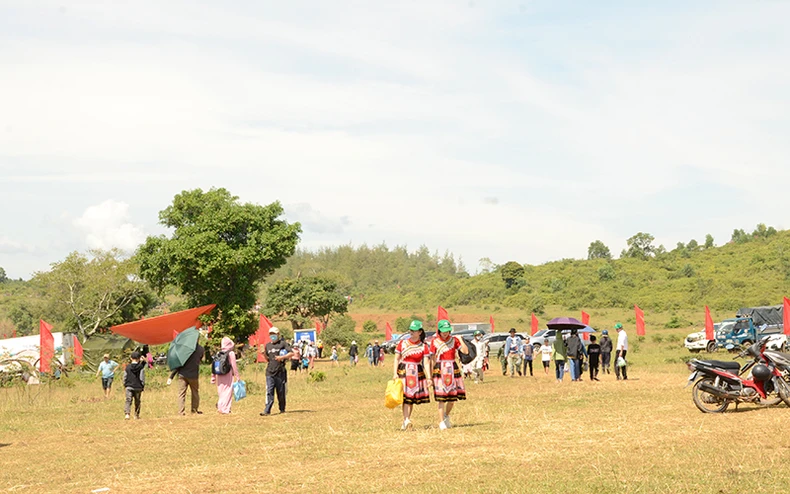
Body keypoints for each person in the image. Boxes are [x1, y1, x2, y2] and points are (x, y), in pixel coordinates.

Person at [392, 320, 433, 430]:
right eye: (411, 330)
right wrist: (395, 373)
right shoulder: (402, 343)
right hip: (404, 371)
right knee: (406, 397)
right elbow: (396, 359)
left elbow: (426, 362)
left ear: (420, 332)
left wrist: (429, 377)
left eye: (414, 331)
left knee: (411, 398)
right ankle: (406, 419)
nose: (412, 332)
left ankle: (406, 419)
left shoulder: (423, 346)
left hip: (416, 372)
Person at [430, 319, 468, 430]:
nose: (445, 333)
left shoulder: (454, 340)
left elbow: (465, 352)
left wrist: (461, 340)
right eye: (443, 331)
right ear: (439, 331)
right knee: (441, 398)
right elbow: (432, 359)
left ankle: (446, 415)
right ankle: (441, 421)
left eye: (447, 331)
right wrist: (431, 375)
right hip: (439, 369)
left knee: (452, 399)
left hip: (452, 369)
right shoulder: (434, 342)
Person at [261, 327, 293, 415]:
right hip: (270, 372)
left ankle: (282, 408)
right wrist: (263, 353)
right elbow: (268, 359)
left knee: (281, 391)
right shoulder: (268, 346)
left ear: (278, 334)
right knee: (269, 391)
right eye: (271, 334)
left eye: (274, 334)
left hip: (280, 372)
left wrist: (282, 357)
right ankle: (267, 410)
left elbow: (291, 353)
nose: (272, 336)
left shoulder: (283, 344)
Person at [167, 342, 205, 415]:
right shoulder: (200, 349)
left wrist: (171, 376)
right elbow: (200, 360)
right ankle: (194, 410)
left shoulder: (184, 349)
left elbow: (179, 363)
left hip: (182, 374)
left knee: (181, 394)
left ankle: (181, 412)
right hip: (193, 374)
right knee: (195, 393)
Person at [210, 337, 240, 414]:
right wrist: (237, 376)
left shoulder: (218, 353)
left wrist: (213, 377)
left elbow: (214, 365)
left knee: (221, 392)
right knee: (228, 391)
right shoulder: (231, 353)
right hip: (228, 374)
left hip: (219, 375)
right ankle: (225, 408)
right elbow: (234, 365)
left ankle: (220, 407)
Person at [122, 351, 145, 419]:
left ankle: (127, 414)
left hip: (129, 386)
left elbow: (125, 377)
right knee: (137, 401)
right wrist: (142, 385)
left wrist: (124, 384)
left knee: (128, 400)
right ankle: (136, 415)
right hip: (138, 387)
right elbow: (142, 377)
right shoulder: (141, 367)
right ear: (138, 358)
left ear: (131, 358)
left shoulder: (128, 367)